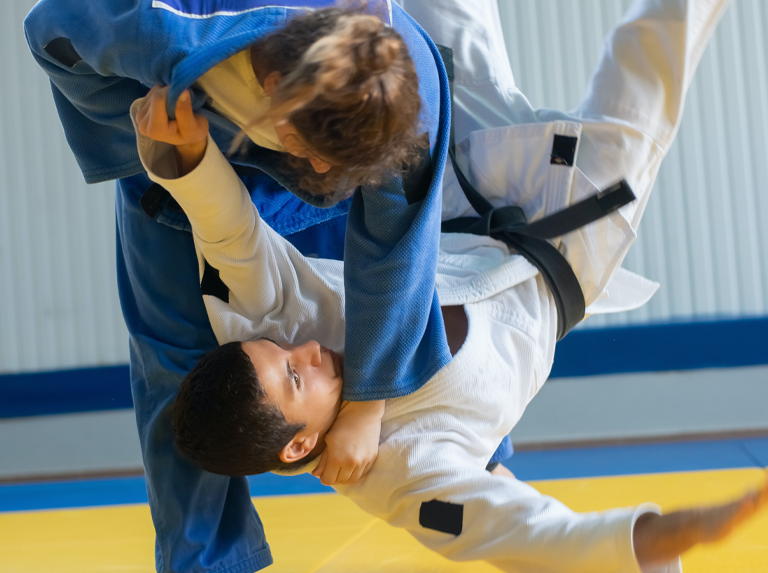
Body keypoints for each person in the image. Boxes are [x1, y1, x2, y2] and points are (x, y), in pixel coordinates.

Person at [131, 0, 768, 570]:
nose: (302, 348)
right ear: (300, 444)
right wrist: (695, 528)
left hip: (461, 198)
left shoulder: (266, 331)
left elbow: (231, 237)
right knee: (650, 54)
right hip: (570, 238)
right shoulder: (404, 476)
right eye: (295, 376)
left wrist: (187, 159)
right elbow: (531, 533)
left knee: (429, 27)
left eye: (280, 351)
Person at [25, 2, 464, 571]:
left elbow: (397, 256)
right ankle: (208, 562)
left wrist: (366, 405)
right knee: (178, 362)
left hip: (323, 164)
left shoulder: (409, 100)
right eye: (314, 150)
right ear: (276, 87)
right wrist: (143, 130)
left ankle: (482, 458)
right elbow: (49, 28)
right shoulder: (164, 30)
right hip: (180, 143)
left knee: (371, 318)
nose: (321, 168)